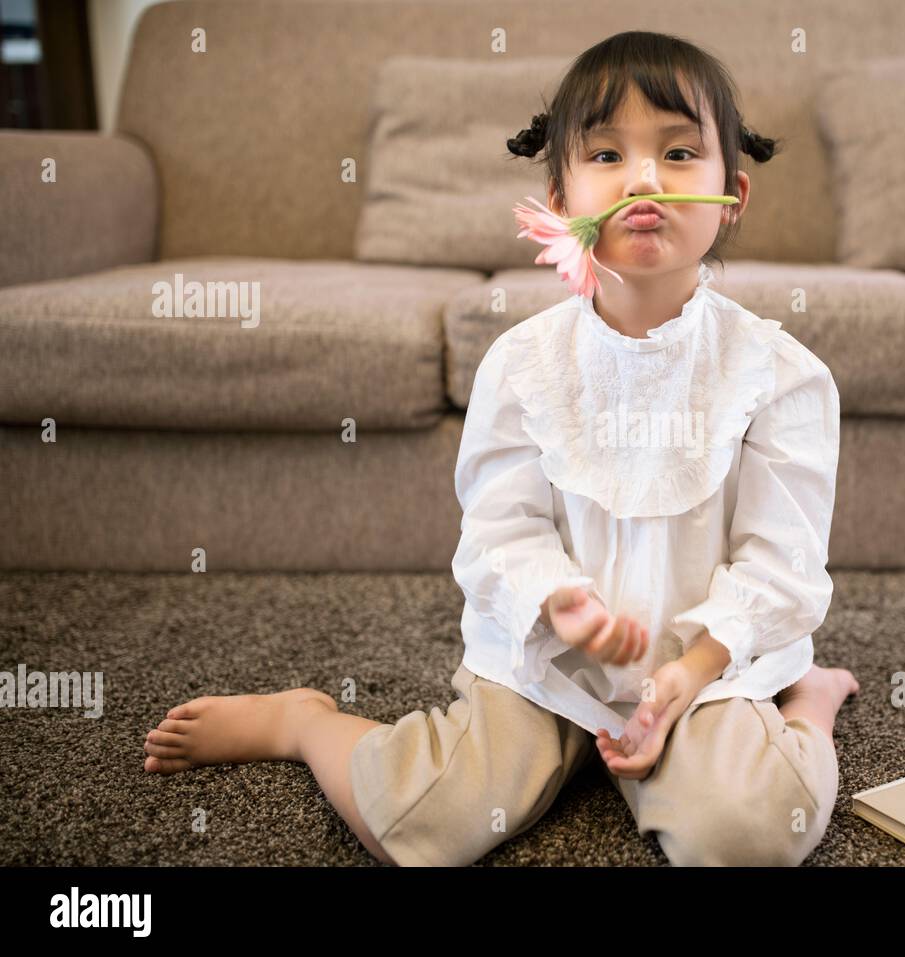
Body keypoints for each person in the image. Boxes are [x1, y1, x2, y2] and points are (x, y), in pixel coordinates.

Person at [141, 29, 858, 867]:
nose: (642, 179)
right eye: (606, 153)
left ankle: (809, 703)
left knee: (752, 832)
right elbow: (498, 529)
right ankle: (306, 720)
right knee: (429, 819)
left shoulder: (782, 375)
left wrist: (690, 671)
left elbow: (781, 566)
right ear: (560, 200)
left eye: (678, 151)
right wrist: (561, 602)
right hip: (544, 665)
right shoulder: (523, 365)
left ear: (731, 193)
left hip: (708, 671)